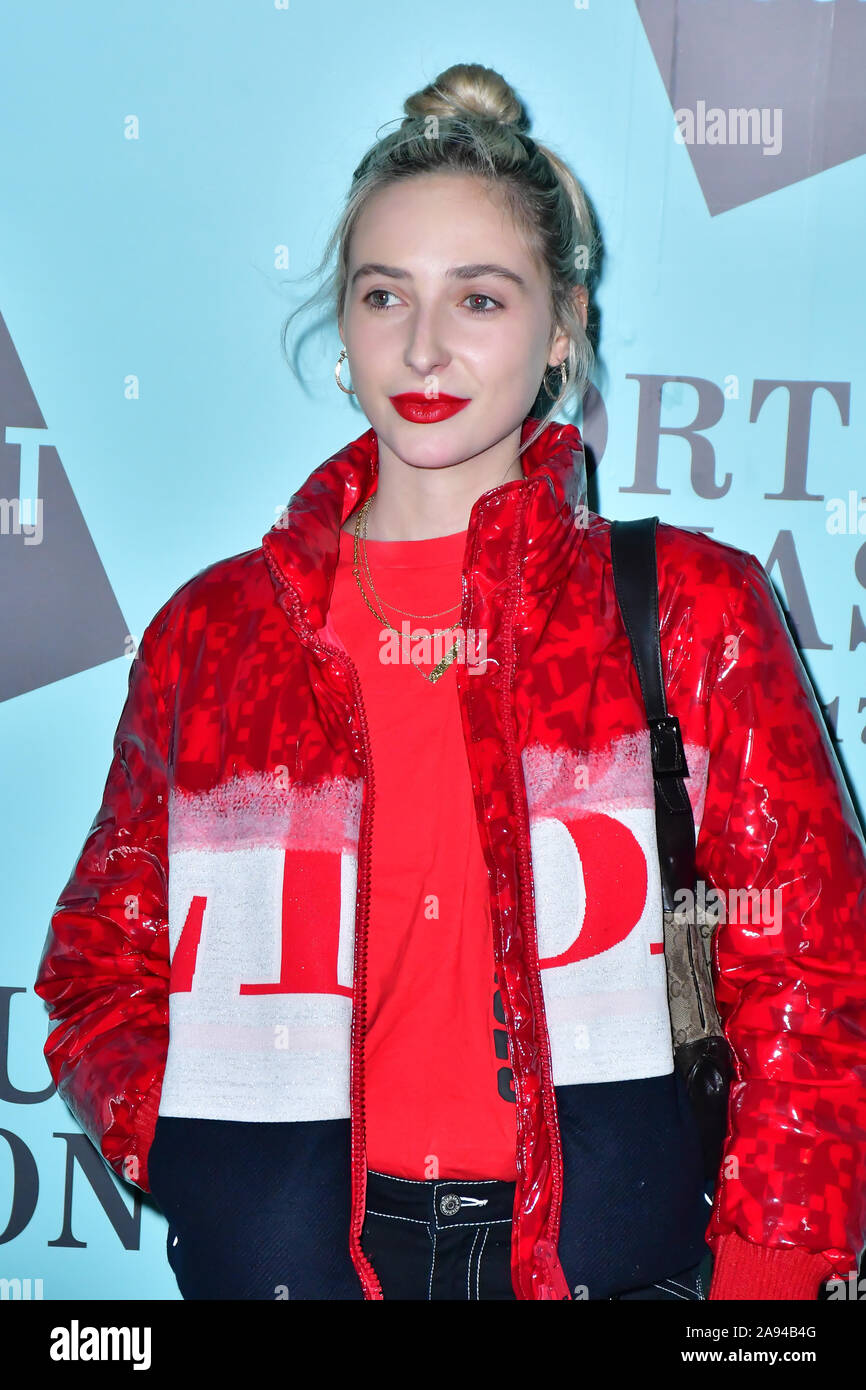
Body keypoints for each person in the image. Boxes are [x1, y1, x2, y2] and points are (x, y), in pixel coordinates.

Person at [34, 63, 866, 1302]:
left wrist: (762, 1285)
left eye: (479, 298)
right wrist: (205, 1155)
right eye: (384, 296)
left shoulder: (692, 608)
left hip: (614, 1270)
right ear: (344, 327)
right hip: (298, 1269)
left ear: (561, 327)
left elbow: (808, 966)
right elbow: (101, 952)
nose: (422, 346)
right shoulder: (216, 634)